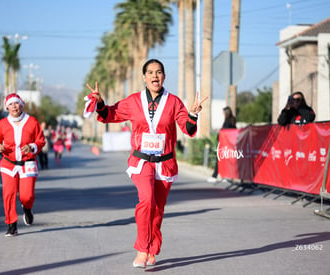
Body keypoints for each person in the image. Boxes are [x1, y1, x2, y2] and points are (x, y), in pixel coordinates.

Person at [85, 59, 208, 268]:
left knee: (158, 209)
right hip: (142, 162)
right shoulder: (133, 101)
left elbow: (187, 128)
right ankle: (142, 249)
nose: (154, 76)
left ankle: (152, 250)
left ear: (164, 76)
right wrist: (100, 103)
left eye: (159, 72)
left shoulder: (174, 102)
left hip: (165, 163)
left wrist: (194, 113)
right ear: (144, 77)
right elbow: (109, 115)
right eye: (150, 72)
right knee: (147, 199)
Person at [0, 93, 45, 237]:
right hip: (8, 164)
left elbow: (41, 141)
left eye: (16, 103)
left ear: (22, 105)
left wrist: (32, 146)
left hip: (27, 163)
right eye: (11, 104)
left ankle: (27, 208)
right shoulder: (2, 124)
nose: (14, 106)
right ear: (7, 107)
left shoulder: (32, 121)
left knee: (27, 196)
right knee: (8, 194)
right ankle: (11, 224)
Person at [207, 106, 236, 183]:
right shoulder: (231, 120)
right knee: (225, 160)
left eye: (223, 112)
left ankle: (215, 176)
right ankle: (226, 176)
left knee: (219, 159)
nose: (222, 114)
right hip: (228, 144)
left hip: (225, 144)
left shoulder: (228, 121)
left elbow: (226, 132)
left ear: (226, 113)